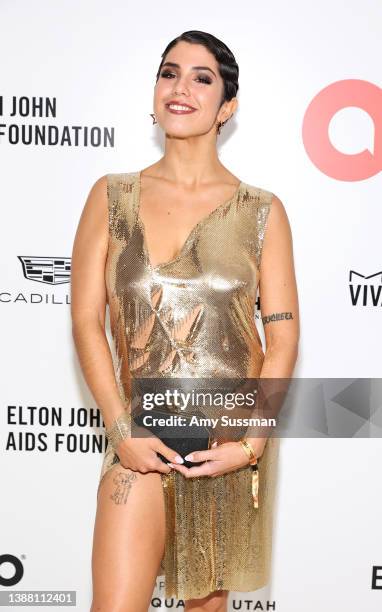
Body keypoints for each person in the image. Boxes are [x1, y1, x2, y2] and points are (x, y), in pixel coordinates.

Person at [71, 30, 299, 612]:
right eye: (169, 72)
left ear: (227, 106)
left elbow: (282, 334)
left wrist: (250, 444)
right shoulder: (112, 195)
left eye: (202, 78)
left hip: (225, 441)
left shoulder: (262, 212)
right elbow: (85, 322)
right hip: (139, 438)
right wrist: (121, 429)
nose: (180, 88)